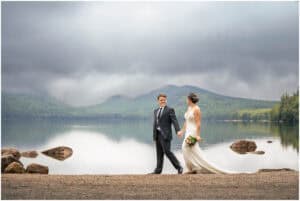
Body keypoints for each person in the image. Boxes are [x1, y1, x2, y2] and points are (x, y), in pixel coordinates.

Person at [177, 93, 239, 174]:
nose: (186, 101)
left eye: (187, 99)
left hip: (193, 132)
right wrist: (182, 131)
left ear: (190, 99)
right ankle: (193, 168)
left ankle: (194, 168)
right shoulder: (189, 108)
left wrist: (198, 135)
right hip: (188, 131)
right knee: (190, 150)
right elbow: (187, 121)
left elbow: (198, 123)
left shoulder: (196, 109)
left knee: (185, 147)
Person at [149, 93, 183, 174]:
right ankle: (158, 170)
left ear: (166, 100)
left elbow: (174, 121)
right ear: (158, 101)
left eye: (164, 100)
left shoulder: (170, 110)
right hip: (157, 135)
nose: (163, 101)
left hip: (166, 135)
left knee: (167, 152)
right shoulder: (155, 111)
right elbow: (155, 123)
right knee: (159, 153)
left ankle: (179, 167)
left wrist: (178, 130)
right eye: (161, 100)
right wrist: (154, 136)